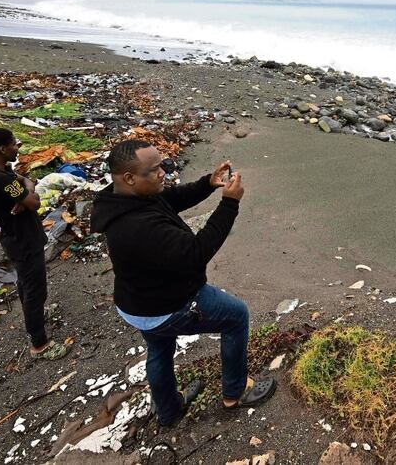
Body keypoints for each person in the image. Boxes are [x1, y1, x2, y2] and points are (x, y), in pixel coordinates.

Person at [90, 139, 275, 428]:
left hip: (137, 303)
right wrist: (229, 204)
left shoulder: (120, 198)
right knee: (236, 316)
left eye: (164, 165)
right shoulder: (138, 227)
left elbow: (169, 199)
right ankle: (236, 393)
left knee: (160, 348)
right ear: (129, 178)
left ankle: (168, 410)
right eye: (155, 169)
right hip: (166, 305)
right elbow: (196, 254)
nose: (164, 172)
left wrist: (206, 184)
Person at [0, 128, 69, 361]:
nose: (17, 148)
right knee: (35, 290)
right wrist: (27, 190)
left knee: (26, 284)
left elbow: (20, 186)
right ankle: (40, 345)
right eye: (13, 144)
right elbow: (35, 201)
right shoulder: (1, 180)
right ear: (2, 149)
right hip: (24, 241)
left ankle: (35, 315)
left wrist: (23, 193)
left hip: (14, 238)